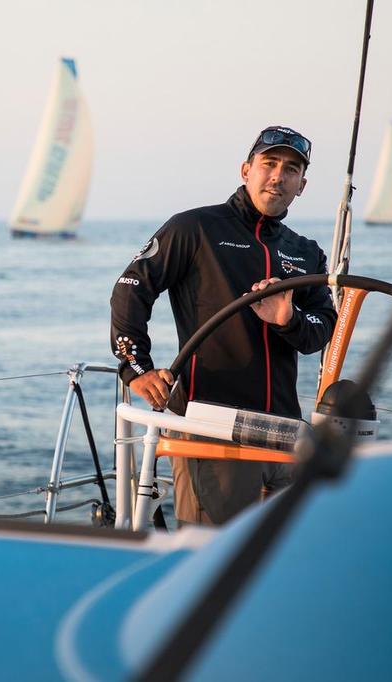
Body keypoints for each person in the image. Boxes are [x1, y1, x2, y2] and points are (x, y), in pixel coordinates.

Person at [109, 125, 337, 526]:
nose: (278, 176)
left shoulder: (306, 253)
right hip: (210, 429)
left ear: (302, 185)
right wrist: (137, 369)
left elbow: (322, 329)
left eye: (291, 169)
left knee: (279, 565)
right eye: (269, 164)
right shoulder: (195, 228)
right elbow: (131, 288)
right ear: (246, 170)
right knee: (210, 563)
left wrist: (288, 319)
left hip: (284, 431)